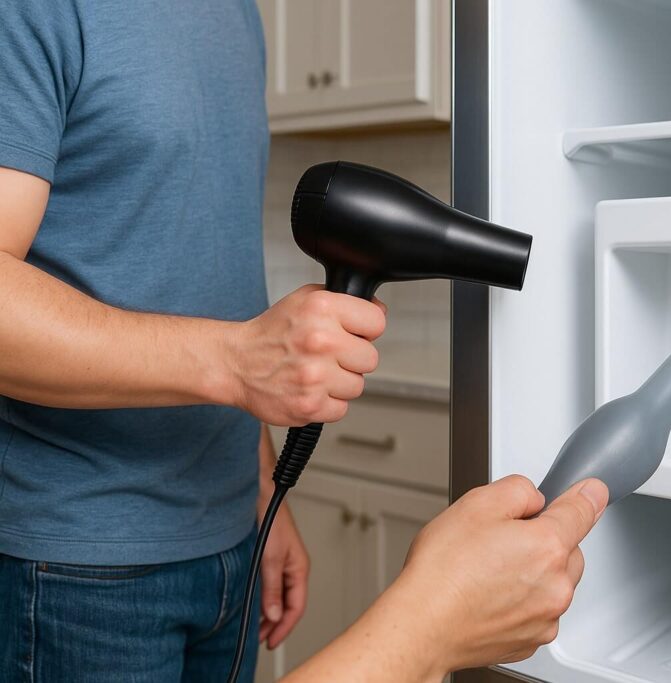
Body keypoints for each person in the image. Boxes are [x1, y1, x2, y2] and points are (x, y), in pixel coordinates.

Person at [0, 2, 605, 681]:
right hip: (79, 564)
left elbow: (201, 274)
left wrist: (259, 488)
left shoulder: (236, 15)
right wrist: (236, 361)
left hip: (230, 539)